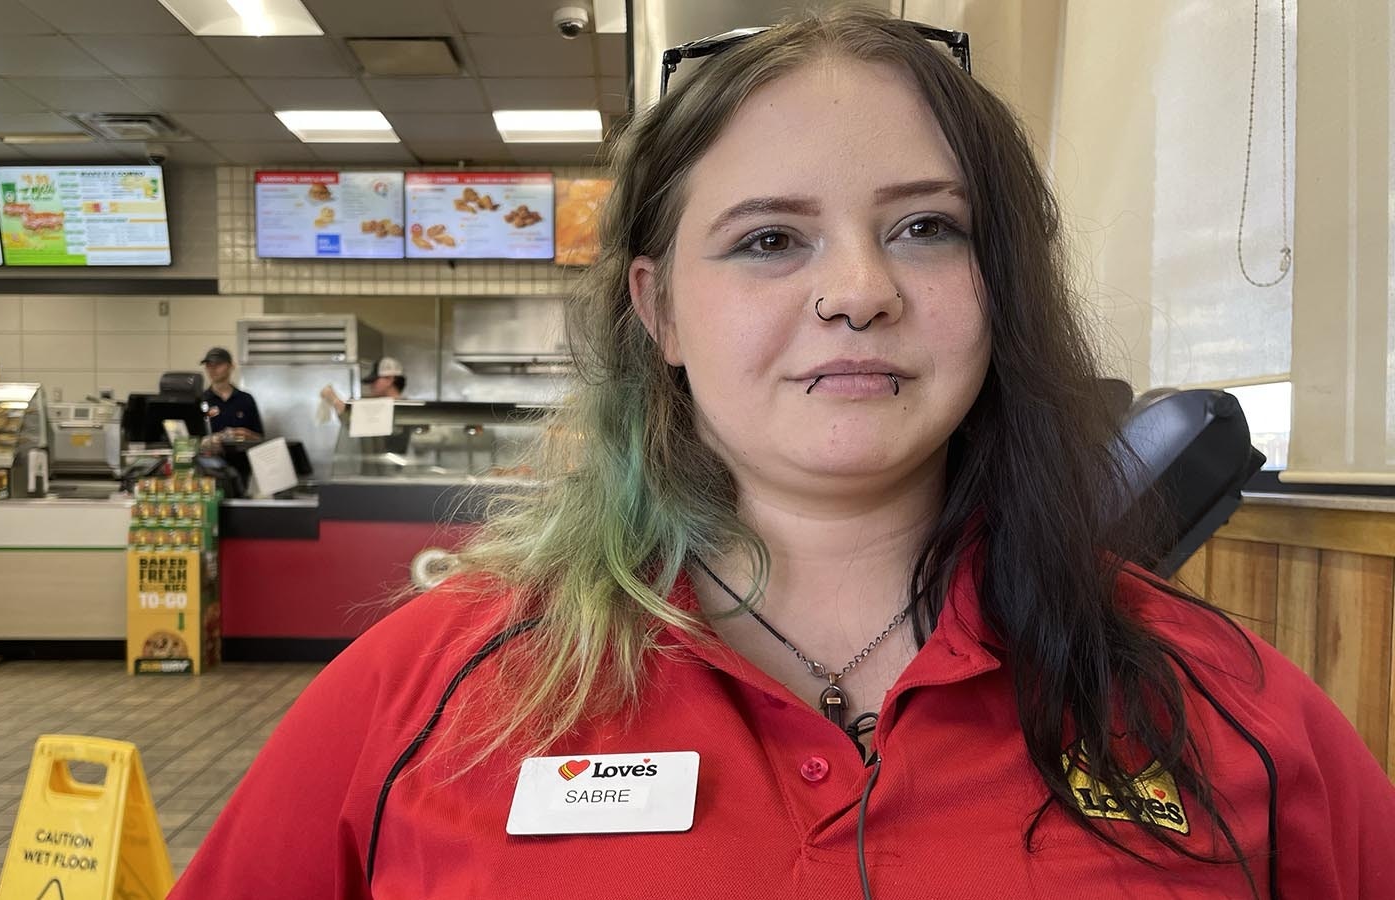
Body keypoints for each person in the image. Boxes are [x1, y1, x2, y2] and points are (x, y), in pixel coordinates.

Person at [171, 10, 1394, 900]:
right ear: (657, 309)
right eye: (768, 240)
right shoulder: (429, 691)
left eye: (926, 227)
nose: (858, 291)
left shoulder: (1225, 702)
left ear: (1000, 286)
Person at [199, 347, 263, 442]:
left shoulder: (246, 399)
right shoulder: (200, 400)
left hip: (242, 451)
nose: (213, 368)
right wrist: (208, 441)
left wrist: (246, 434)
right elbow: (190, 439)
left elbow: (260, 438)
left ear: (231, 366)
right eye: (209, 365)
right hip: (210, 452)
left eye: (218, 364)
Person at [318, 356, 406, 417]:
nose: (371, 385)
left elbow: (358, 418)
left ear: (389, 379)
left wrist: (334, 399)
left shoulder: (404, 408)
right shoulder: (380, 405)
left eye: (374, 381)